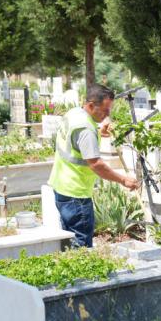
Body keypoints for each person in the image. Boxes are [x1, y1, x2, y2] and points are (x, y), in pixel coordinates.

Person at [48, 84, 139, 247]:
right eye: (105, 110)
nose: (107, 115)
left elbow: (76, 141)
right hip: (77, 194)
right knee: (81, 244)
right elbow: (96, 164)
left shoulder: (74, 114)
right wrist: (123, 180)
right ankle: (82, 274)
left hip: (62, 187)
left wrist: (98, 132)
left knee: (69, 241)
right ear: (91, 105)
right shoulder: (86, 130)